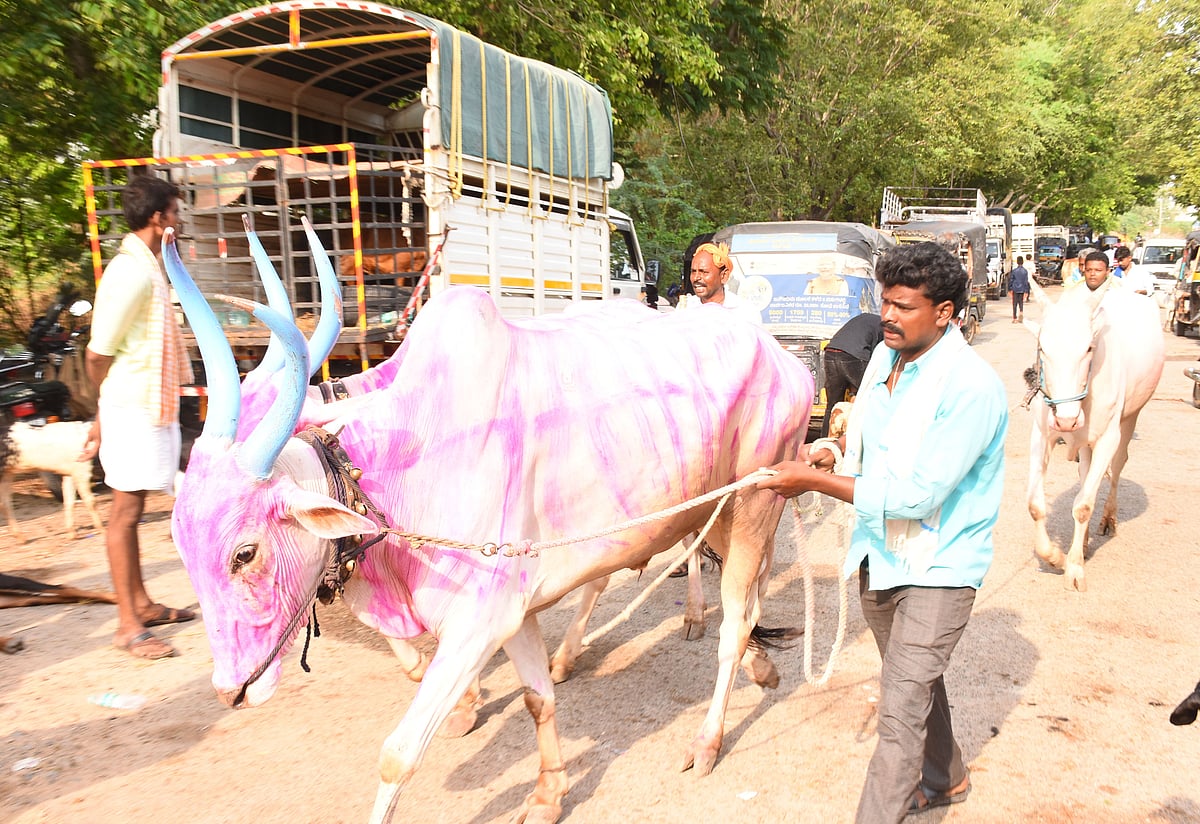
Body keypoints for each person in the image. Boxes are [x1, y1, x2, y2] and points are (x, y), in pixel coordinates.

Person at [757, 241, 1007, 823]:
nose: (887, 316)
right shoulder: (884, 358)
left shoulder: (970, 386)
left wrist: (814, 485)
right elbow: (868, 437)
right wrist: (829, 451)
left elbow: (918, 496)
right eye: (884, 302)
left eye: (903, 306)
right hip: (879, 554)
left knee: (898, 713)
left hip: (939, 567)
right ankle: (947, 777)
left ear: (944, 313)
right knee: (912, 681)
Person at [82, 175, 197, 660]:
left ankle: (143, 604)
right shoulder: (129, 273)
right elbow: (96, 354)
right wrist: (103, 411)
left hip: (145, 405)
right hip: (130, 407)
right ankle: (128, 626)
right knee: (124, 514)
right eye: (175, 211)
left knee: (135, 510)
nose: (179, 219)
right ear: (158, 217)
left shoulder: (149, 267)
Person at [820, 312, 882, 438]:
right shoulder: (887, 328)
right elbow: (879, 358)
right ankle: (859, 440)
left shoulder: (866, 319)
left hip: (831, 352)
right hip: (853, 355)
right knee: (868, 399)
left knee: (832, 404)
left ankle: (824, 442)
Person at [686, 242, 762, 325]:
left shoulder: (745, 312)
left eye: (704, 272)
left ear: (724, 276)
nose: (696, 278)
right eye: (693, 271)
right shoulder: (686, 308)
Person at [1009, 255, 1031, 322]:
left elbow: (1011, 280)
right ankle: (1021, 312)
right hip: (1022, 288)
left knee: (1014, 304)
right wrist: (1026, 291)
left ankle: (1014, 318)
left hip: (1015, 288)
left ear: (1017, 262)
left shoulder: (1014, 271)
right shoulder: (1025, 271)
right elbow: (1025, 281)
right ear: (1023, 262)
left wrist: (1009, 288)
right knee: (1021, 302)